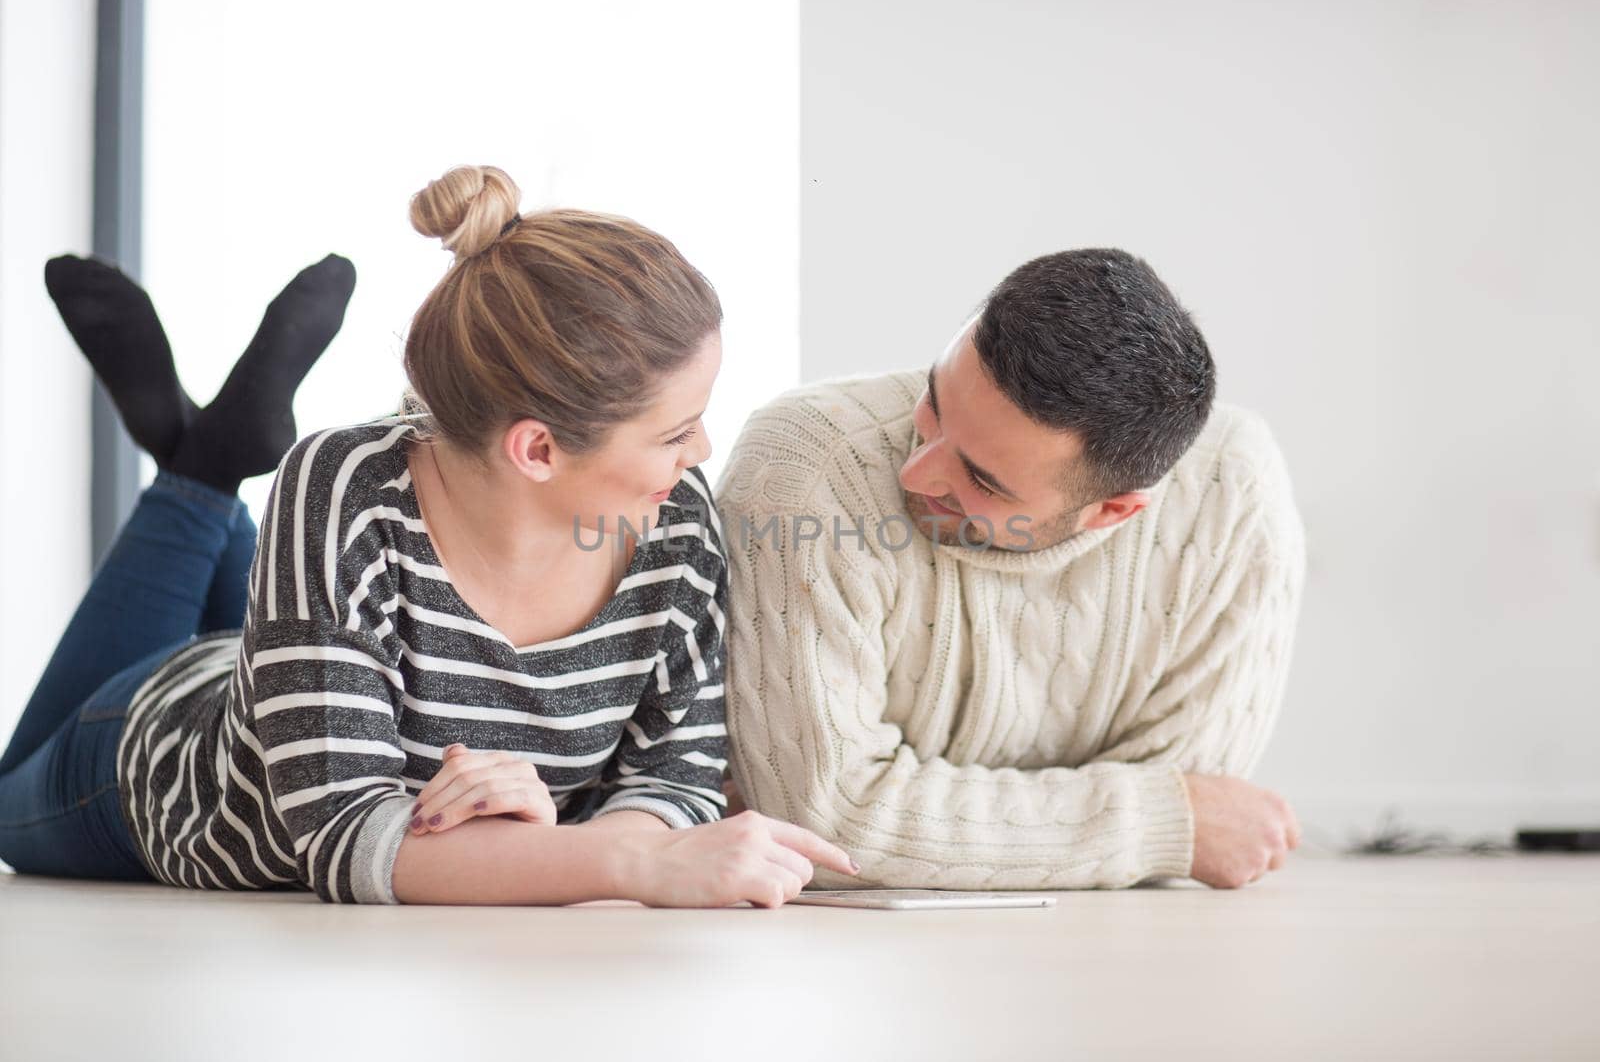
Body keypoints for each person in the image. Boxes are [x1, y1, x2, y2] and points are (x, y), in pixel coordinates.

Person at [0, 164, 856, 907]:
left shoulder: (676, 516)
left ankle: (203, 452)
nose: (701, 452)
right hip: (170, 756)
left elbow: (674, 775)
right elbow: (339, 835)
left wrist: (555, 839)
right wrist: (626, 857)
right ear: (537, 448)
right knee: (6, 799)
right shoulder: (345, 486)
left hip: (312, 666)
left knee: (295, 623)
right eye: (676, 432)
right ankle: (202, 475)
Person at [716, 248, 1306, 891]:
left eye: (980, 480)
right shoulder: (812, 464)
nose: (917, 470)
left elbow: (1190, 772)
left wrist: (918, 822)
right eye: (935, 404)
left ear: (1111, 511)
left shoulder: (1230, 495)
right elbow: (824, 818)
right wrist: (1159, 823)